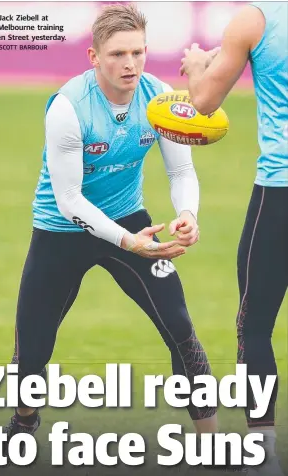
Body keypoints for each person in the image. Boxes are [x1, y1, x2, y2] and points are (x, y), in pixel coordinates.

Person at [3, 3, 220, 455]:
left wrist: (189, 215)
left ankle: (215, 447)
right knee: (32, 357)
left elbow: (182, 172)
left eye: (138, 53)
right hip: (62, 232)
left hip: (130, 220)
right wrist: (129, 243)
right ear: (93, 57)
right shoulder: (68, 107)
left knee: (181, 327)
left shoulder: (160, 99)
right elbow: (69, 200)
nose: (130, 64)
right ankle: (24, 421)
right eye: (118, 54)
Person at [180, 3, 288, 475]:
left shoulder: (255, 20)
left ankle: (263, 457)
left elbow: (202, 102)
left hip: (280, 192)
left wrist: (197, 66)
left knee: (255, 326)